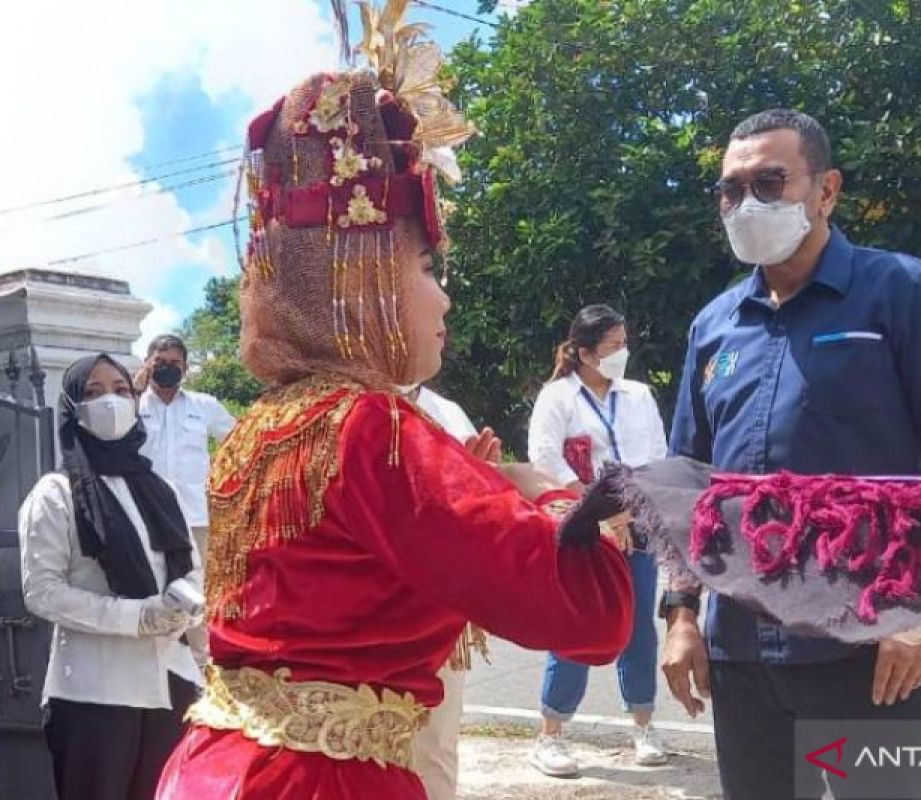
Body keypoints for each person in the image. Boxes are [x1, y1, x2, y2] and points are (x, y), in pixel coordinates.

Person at [154, 8, 634, 798]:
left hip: (214, 767)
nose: (442, 302)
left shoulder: (257, 429)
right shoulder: (370, 428)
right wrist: (542, 497)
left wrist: (466, 488)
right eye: (423, 268)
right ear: (360, 278)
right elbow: (595, 617)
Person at [661, 109, 921, 800]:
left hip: (870, 650)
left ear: (827, 190)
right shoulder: (715, 325)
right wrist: (680, 617)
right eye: (731, 189)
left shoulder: (900, 292)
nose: (746, 203)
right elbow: (686, 488)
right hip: (742, 652)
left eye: (769, 182)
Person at [18, 354, 205, 800]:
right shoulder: (56, 493)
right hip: (97, 692)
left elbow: (192, 567)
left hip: (172, 680)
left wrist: (184, 609)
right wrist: (136, 617)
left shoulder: (161, 488)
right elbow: (41, 592)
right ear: (71, 406)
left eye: (122, 391)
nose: (111, 403)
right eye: (93, 392)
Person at [526, 304, 670, 776]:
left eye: (625, 344)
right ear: (585, 353)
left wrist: (634, 513)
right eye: (613, 347)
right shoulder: (558, 398)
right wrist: (606, 516)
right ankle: (552, 733)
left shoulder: (639, 396)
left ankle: (644, 724)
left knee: (639, 626)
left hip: (640, 524)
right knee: (578, 622)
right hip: (586, 530)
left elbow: (656, 457)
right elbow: (546, 460)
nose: (622, 354)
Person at [410, 384, 497, 800]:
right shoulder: (343, 406)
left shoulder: (445, 411)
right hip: (364, 616)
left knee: (436, 743)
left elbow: (478, 507)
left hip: (440, 610)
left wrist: (479, 481)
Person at [134, 334, 236, 562]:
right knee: (151, 589)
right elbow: (115, 440)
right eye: (160, 362)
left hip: (195, 516)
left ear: (185, 368)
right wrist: (134, 392)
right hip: (146, 514)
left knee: (200, 589)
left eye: (174, 364)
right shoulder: (134, 405)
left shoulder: (205, 405)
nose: (166, 368)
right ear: (147, 364)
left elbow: (238, 444)